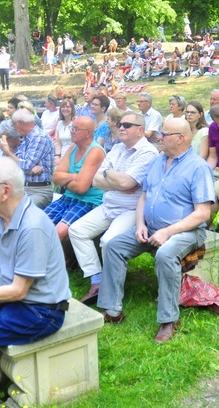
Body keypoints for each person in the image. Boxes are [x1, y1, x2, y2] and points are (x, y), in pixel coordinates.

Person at [96, 118, 214, 343]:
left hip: (185, 232)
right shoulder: (157, 161)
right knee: (113, 246)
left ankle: (169, 320)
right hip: (149, 228)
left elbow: (202, 214)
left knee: (166, 253)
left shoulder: (198, 168)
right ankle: (113, 310)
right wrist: (140, 224)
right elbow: (144, 196)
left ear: (181, 138)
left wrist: (168, 232)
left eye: (165, 134)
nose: (159, 137)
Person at [0, 158, 71, 394]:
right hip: (15, 299)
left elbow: (19, 290)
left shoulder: (31, 226)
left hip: (42, 310)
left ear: (5, 191)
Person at [67, 112, 158, 303]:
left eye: (127, 125)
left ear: (141, 130)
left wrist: (110, 175)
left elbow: (127, 183)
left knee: (108, 241)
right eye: (121, 124)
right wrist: (114, 176)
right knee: (76, 230)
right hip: (109, 205)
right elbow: (97, 180)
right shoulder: (117, 148)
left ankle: (112, 289)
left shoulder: (148, 153)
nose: (122, 128)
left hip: (132, 210)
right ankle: (97, 280)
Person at [43, 116, 105, 255]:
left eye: (75, 129)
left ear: (88, 132)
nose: (71, 131)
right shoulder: (73, 148)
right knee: (39, 225)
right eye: (72, 127)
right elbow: (56, 177)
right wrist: (75, 177)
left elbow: (81, 188)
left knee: (59, 232)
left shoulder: (95, 151)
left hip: (88, 202)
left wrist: (68, 180)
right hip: (67, 198)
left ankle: (47, 267)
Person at [2, 109, 55, 208]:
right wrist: (30, 171)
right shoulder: (25, 138)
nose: (14, 128)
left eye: (13, 125)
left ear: (20, 123)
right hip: (21, 189)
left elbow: (25, 165)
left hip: (39, 191)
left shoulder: (39, 138)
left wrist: (7, 151)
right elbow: (9, 165)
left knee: (20, 210)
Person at [54, 98, 76, 162]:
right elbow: (58, 143)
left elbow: (75, 144)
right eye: (63, 107)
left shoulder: (75, 123)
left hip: (72, 156)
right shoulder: (59, 124)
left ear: (72, 109)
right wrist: (57, 157)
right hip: (61, 155)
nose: (65, 109)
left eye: (68, 107)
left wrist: (64, 159)